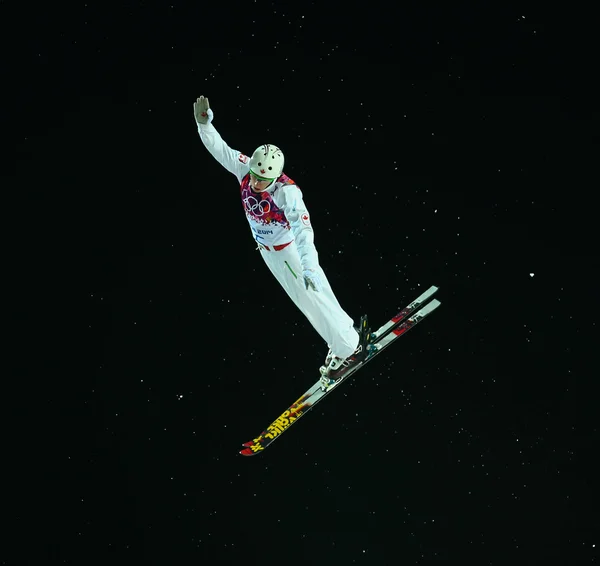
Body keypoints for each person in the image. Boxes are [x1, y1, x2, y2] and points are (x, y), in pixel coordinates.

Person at [193, 95, 369, 390]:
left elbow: (304, 232)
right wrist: (204, 125)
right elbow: (222, 151)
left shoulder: (287, 193)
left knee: (310, 299)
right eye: (254, 176)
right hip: (269, 252)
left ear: (274, 176)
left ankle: (347, 348)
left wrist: (309, 267)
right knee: (317, 297)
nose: (256, 183)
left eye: (263, 180)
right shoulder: (247, 170)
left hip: (290, 253)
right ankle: (347, 337)